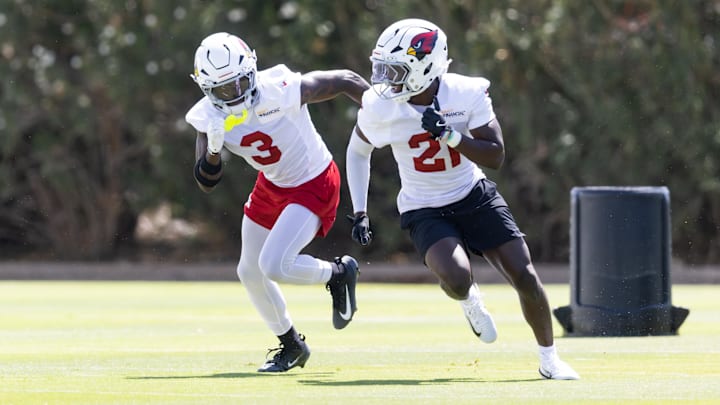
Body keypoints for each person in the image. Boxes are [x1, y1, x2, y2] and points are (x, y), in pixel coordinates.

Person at [345, 19, 580, 380]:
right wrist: (359, 210)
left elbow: (496, 155)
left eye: (396, 71)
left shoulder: (466, 92)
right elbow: (358, 151)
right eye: (385, 69)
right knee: (456, 277)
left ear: (425, 68)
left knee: (525, 275)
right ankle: (470, 300)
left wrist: (452, 137)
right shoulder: (381, 107)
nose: (387, 81)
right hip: (424, 206)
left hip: (473, 194)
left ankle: (550, 359)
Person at [185, 32, 370, 373]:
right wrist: (213, 150)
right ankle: (292, 346)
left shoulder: (280, 88)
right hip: (272, 185)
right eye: (224, 90)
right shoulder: (207, 116)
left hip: (314, 179)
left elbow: (344, 80)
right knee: (249, 271)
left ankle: (339, 272)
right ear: (207, 89)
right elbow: (206, 183)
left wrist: (380, 112)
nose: (235, 94)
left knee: (273, 264)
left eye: (239, 83)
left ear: (252, 70)